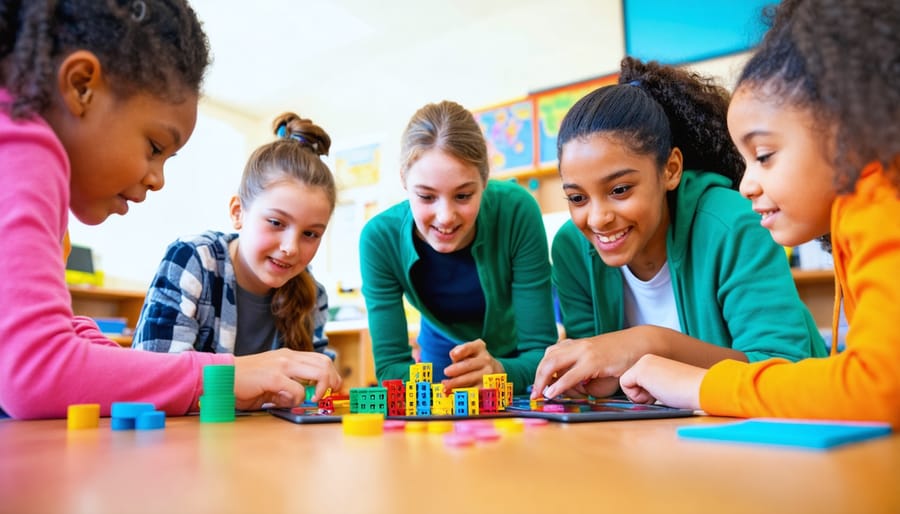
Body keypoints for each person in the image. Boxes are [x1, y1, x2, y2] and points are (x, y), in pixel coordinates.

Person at [0, 0, 331, 420]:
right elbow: (35, 372)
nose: (158, 179)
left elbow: (55, 333)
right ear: (82, 86)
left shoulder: (45, 199)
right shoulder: (20, 143)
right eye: (155, 147)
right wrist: (224, 375)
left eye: (311, 232)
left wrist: (119, 363)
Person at [619, 0, 900, 427]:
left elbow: (879, 386)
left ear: (846, 128)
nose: (747, 183)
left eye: (764, 155)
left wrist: (699, 386)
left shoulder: (878, 200)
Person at [531, 56, 826, 400]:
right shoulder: (572, 250)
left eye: (620, 190)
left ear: (670, 170)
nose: (597, 219)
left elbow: (783, 368)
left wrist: (651, 344)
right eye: (577, 198)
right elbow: (607, 385)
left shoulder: (733, 224)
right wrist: (593, 378)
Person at [359, 100, 557, 393]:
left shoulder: (517, 211)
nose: (445, 217)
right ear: (404, 180)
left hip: (514, 363)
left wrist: (500, 371)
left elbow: (541, 355)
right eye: (426, 197)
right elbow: (390, 367)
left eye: (463, 196)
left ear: (485, 180)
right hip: (439, 360)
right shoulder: (379, 238)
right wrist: (445, 386)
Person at [132, 113, 341, 389]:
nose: (290, 248)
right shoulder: (193, 260)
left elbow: (311, 395)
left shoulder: (314, 295)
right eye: (276, 223)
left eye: (310, 234)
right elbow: (153, 377)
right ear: (238, 212)